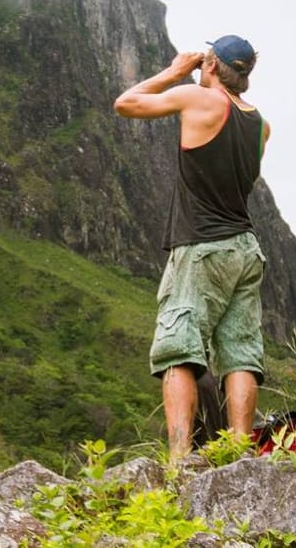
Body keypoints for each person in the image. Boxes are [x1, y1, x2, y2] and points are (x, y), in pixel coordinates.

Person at [114, 35, 271, 462]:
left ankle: (180, 458)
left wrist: (176, 72)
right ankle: (241, 452)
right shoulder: (261, 125)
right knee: (240, 352)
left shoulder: (198, 99)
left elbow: (125, 103)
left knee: (178, 348)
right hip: (245, 249)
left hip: (201, 246)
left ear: (214, 66)